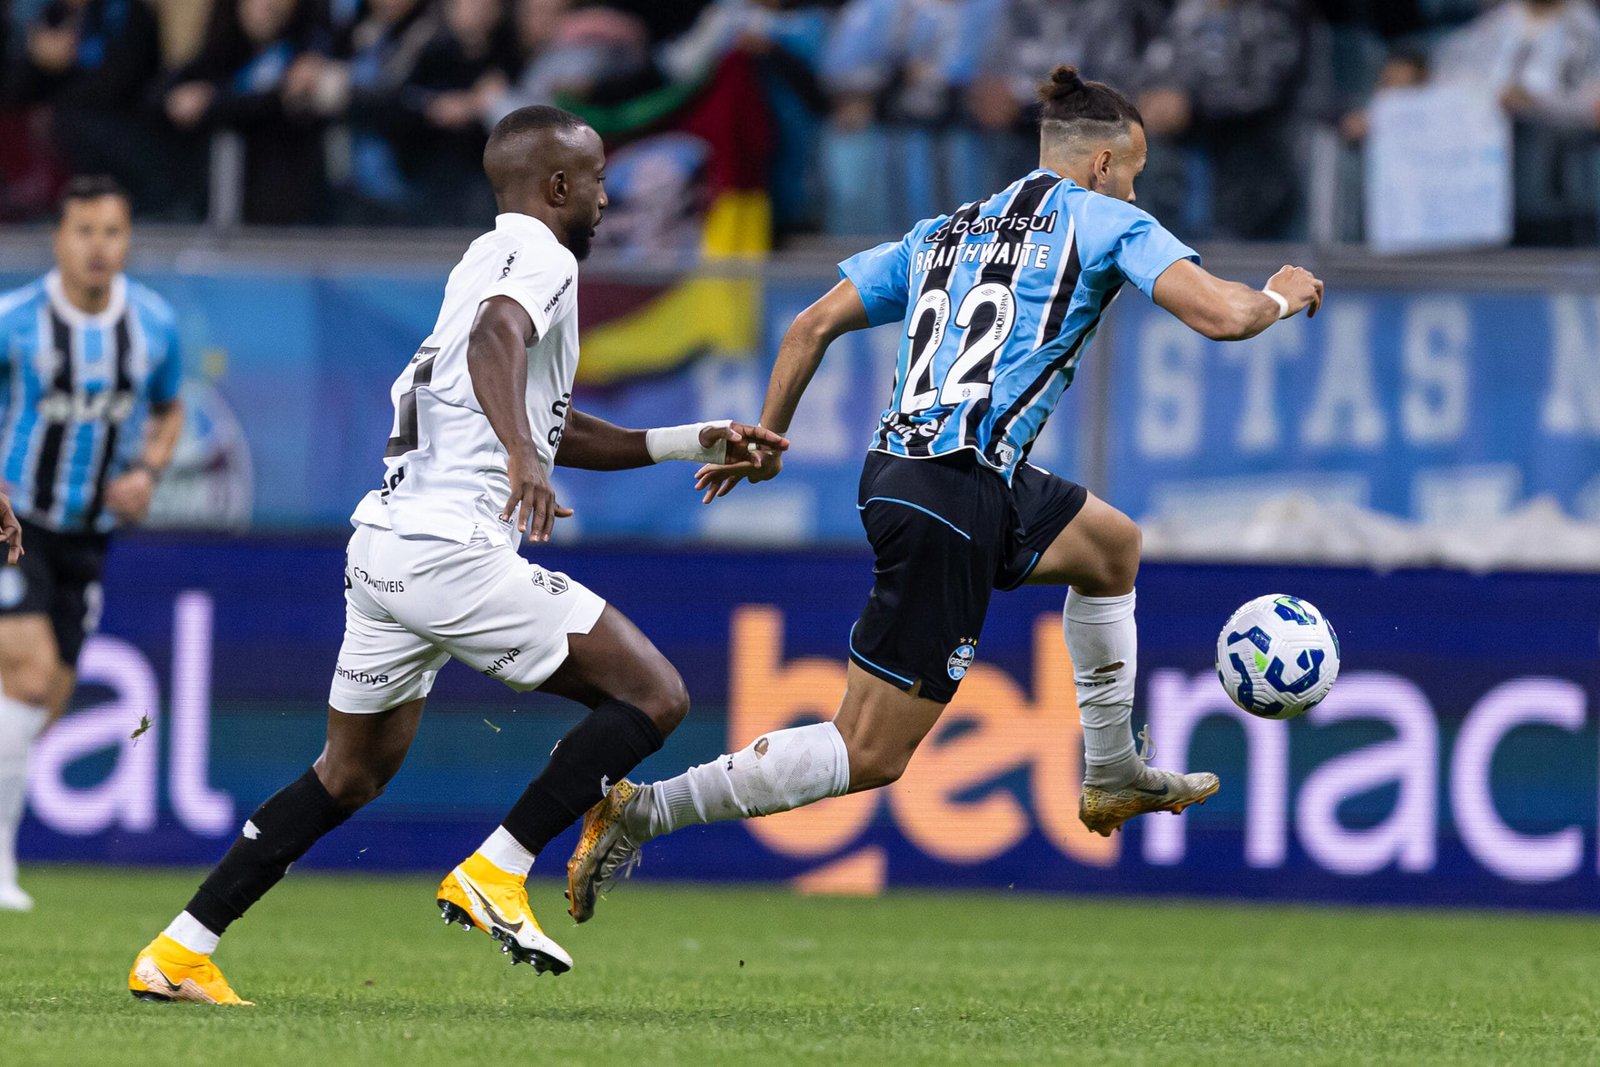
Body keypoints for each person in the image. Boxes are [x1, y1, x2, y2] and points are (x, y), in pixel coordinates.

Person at [564, 65, 1324, 921]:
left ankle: (1111, 770)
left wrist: (767, 438)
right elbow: (1223, 315)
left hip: (924, 474)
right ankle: (641, 810)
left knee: (1111, 546)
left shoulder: (947, 230)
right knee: (870, 749)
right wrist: (1278, 295)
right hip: (952, 492)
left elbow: (809, 324)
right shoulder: (1108, 218)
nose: (1136, 186)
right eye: (1135, 171)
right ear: (1105, 165)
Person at [127, 104, 787, 1005]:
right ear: (557, 188)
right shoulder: (541, 259)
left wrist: (686, 442)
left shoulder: (479, 262)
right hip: (450, 550)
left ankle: (178, 949)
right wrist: (520, 452)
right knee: (656, 693)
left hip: (385, 551)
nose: (605, 197)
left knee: (348, 772)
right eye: (596, 181)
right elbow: (496, 344)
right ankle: (499, 867)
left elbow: (545, 416)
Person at [0, 176, 186, 914]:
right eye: (84, 231)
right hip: (14, 523)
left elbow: (170, 409)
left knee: (47, 697)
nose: (98, 246)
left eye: (112, 231)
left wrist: (147, 469)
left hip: (89, 534)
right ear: (59, 239)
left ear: (127, 239)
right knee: (29, 671)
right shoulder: (15, 320)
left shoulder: (153, 325)